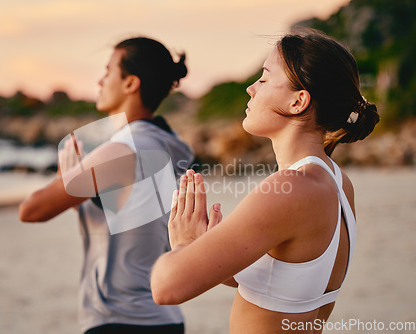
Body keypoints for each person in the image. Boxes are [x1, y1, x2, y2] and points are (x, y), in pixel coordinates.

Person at [151, 30, 380, 333]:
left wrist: (182, 244)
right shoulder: (336, 181)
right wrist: (210, 249)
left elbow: (166, 288)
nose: (250, 89)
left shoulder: (291, 189)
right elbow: (284, 285)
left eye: (263, 79)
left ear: (299, 101)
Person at [19, 37, 193, 334]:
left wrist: (68, 178)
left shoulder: (123, 149)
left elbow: (32, 209)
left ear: (130, 84)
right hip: (162, 317)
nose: (100, 80)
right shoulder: (165, 144)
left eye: (109, 71)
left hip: (122, 319)